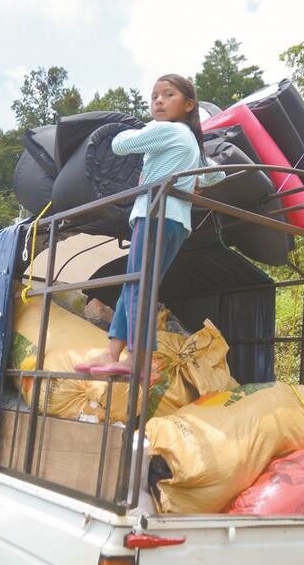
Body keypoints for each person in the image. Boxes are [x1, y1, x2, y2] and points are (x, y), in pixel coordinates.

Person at [76, 74, 225, 378]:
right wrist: (190, 178)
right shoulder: (192, 144)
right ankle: (112, 351)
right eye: (155, 95)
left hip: (154, 215)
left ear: (189, 104)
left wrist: (138, 131)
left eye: (168, 95)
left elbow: (120, 144)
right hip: (176, 223)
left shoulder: (167, 130)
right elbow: (216, 175)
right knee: (136, 283)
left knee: (137, 287)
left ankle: (138, 359)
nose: (158, 100)